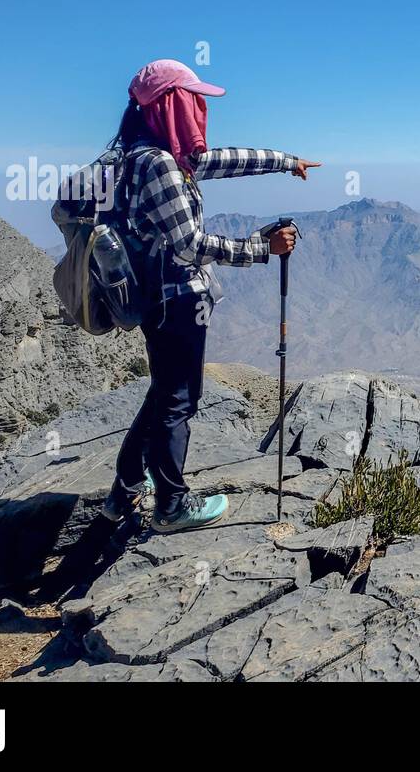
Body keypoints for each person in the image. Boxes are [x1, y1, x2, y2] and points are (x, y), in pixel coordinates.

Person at [99, 59, 321, 533]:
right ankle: (171, 506)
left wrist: (286, 161)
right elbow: (190, 245)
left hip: (160, 298)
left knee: (163, 392)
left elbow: (224, 160)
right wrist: (261, 250)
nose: (201, 109)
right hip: (174, 301)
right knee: (178, 400)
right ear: (172, 105)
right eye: (193, 99)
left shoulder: (147, 153)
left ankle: (124, 488)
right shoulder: (159, 164)